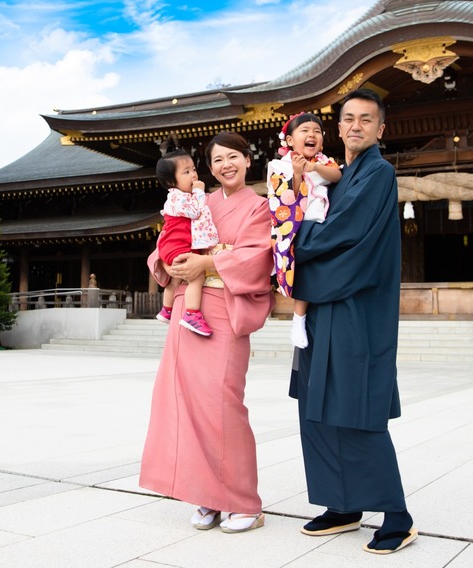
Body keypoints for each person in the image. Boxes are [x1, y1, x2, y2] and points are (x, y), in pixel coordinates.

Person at [289, 89, 417, 555]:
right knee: (315, 405)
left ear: (381, 129)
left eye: (367, 119)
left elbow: (345, 236)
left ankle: (397, 516)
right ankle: (342, 505)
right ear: (337, 127)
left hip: (353, 307)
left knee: (356, 409)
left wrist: (289, 243)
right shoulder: (337, 176)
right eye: (349, 119)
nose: (357, 125)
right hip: (322, 307)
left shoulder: (378, 173)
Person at [140, 132, 275, 534]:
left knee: (224, 404)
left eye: (233, 157)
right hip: (188, 309)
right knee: (186, 403)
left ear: (249, 160)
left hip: (224, 310)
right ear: (209, 167)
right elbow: (168, 237)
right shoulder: (197, 200)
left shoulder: (261, 207)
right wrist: (174, 259)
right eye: (217, 160)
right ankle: (206, 495)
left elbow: (259, 255)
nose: (225, 165)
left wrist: (208, 264)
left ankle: (242, 499)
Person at [266, 112, 341, 348]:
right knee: (305, 274)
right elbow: (286, 198)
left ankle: (302, 318)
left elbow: (337, 175)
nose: (312, 135)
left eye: (317, 131)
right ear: (289, 141)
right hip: (296, 229)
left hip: (322, 225)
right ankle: (298, 319)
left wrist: (315, 166)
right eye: (305, 131)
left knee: (321, 271)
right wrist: (298, 173)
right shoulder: (279, 165)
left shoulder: (324, 161)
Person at [154, 148, 219, 336]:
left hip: (172, 245)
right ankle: (192, 313)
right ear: (170, 182)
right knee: (196, 277)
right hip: (177, 246)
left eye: (193, 169)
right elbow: (195, 211)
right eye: (186, 172)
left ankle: (166, 309)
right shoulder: (179, 197)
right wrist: (199, 192)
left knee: (174, 280)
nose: (193, 175)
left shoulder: (178, 197)